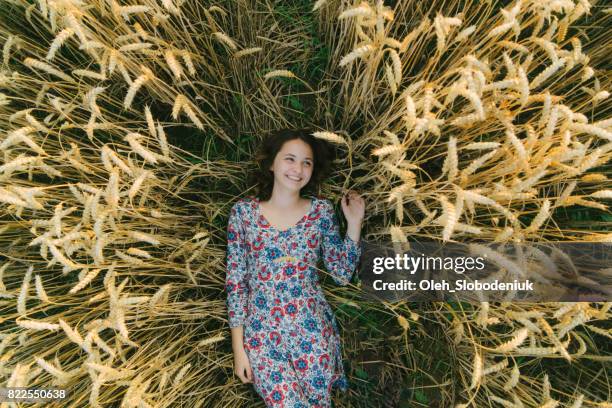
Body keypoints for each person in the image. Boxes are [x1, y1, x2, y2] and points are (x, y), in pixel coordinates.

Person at [225, 128, 365, 407]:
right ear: (272, 163)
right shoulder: (243, 213)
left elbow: (339, 274)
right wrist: (238, 349)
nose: (298, 169)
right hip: (262, 335)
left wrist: (354, 224)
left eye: (307, 162)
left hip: (311, 329)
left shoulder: (321, 212)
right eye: (290, 159)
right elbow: (236, 282)